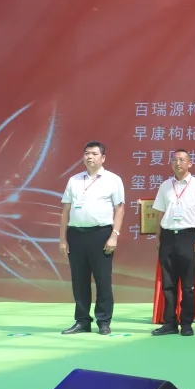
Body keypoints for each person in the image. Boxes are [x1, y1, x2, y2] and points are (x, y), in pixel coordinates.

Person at [59, 141, 125, 335]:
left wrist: (114, 236)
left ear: (103, 158)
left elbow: (120, 209)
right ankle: (82, 321)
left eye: (94, 154)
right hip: (76, 235)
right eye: (87, 153)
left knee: (102, 280)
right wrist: (62, 239)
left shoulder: (113, 180)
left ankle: (103, 321)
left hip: (101, 234)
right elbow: (65, 211)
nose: (89, 157)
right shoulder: (74, 180)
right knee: (79, 280)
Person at [151, 149, 195, 337]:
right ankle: (170, 322)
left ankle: (186, 323)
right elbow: (160, 214)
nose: (178, 163)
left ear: (189, 163)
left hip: (188, 236)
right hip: (168, 237)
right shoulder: (165, 186)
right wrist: (159, 238)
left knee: (188, 285)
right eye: (175, 160)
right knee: (168, 283)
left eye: (182, 160)